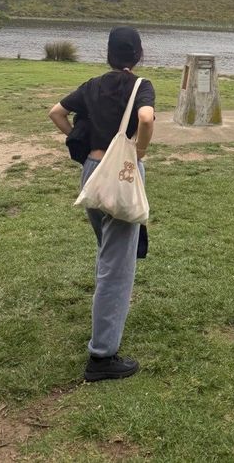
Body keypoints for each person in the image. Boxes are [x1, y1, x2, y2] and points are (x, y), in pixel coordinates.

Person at [48, 25, 155, 382]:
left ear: (108, 54)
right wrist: (139, 151)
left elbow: (56, 113)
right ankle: (102, 356)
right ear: (138, 54)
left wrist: (79, 140)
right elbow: (145, 118)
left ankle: (104, 324)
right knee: (116, 266)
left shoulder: (92, 85)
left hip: (92, 173)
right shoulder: (141, 86)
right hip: (121, 174)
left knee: (106, 251)